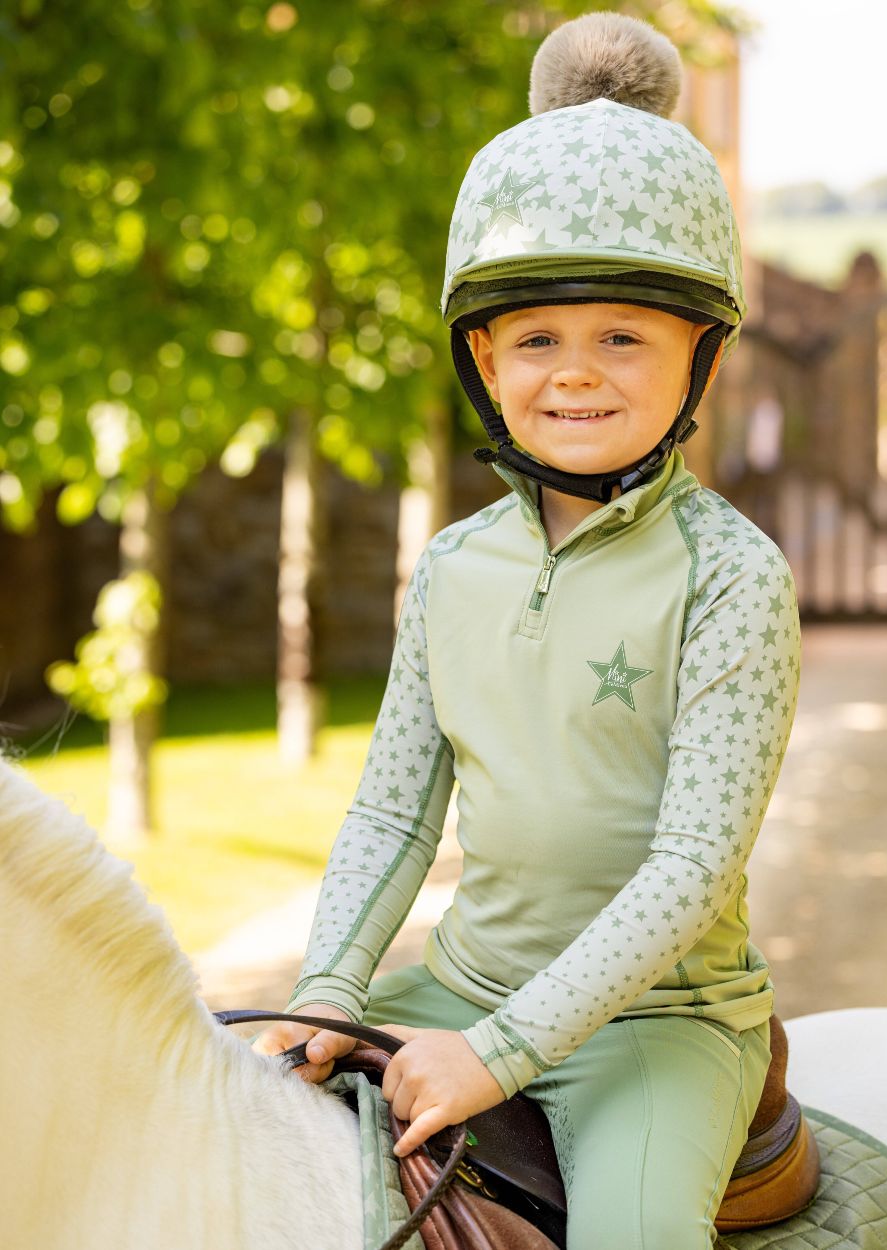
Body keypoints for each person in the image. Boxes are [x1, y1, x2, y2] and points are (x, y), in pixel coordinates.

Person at [254, 12, 802, 1249]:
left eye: (623, 336)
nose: (577, 373)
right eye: (538, 339)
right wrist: (335, 980)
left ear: (697, 354)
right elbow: (396, 806)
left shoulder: (732, 575)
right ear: (484, 358)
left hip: (658, 1026)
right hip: (456, 982)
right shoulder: (452, 564)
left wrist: (499, 1053)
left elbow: (689, 867)